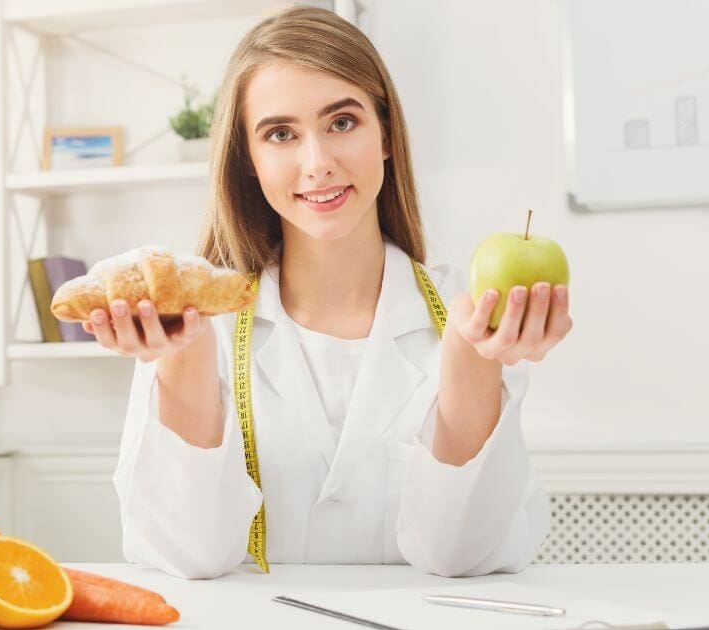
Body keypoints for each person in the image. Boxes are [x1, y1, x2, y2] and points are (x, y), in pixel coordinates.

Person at [81, 6, 572, 580]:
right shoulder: (194, 325)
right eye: (281, 134)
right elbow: (189, 556)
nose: (318, 164)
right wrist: (184, 362)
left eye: (342, 123)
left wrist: (472, 363)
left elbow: (463, 556)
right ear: (249, 161)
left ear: (385, 134)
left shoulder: (471, 316)